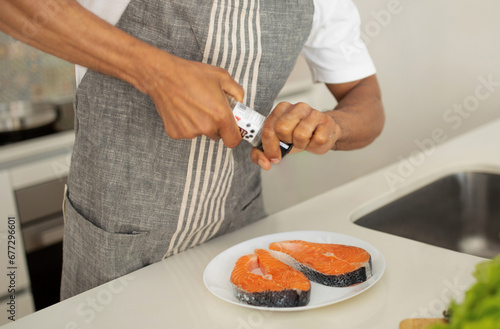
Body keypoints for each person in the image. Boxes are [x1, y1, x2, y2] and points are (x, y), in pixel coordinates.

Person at [0, 0, 384, 299]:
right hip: (118, 252)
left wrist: (333, 127)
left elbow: (366, 102)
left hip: (241, 239)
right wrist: (155, 73)